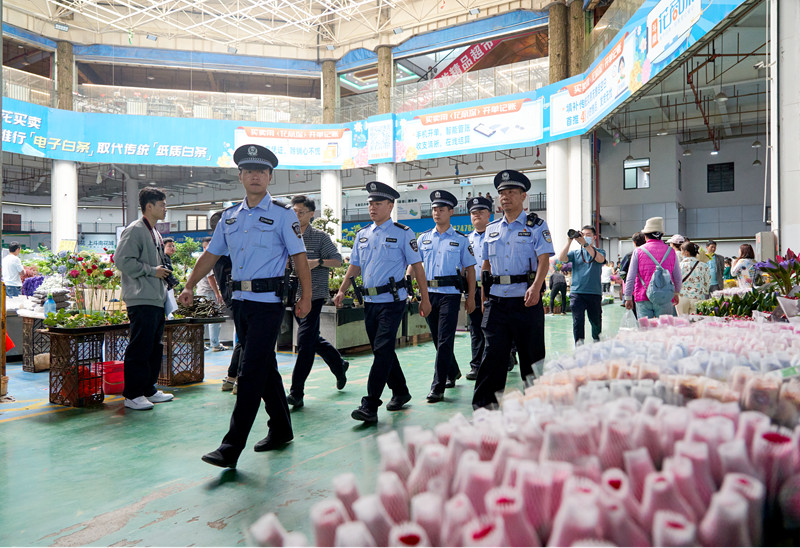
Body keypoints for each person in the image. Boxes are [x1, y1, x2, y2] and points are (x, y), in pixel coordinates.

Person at [178, 144, 313, 470]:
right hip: (240, 303)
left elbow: (300, 259)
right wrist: (189, 284)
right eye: (249, 171)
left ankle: (231, 447)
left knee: (249, 372)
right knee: (265, 369)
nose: (255, 176)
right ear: (240, 176)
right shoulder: (229, 218)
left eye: (262, 171)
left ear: (269, 177)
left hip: (268, 305)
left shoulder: (283, 216)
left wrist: (306, 297)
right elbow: (211, 256)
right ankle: (281, 429)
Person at [333, 181, 431, 423]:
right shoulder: (362, 234)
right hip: (369, 302)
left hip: (392, 301)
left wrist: (424, 298)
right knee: (382, 349)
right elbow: (354, 266)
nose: (372, 207)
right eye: (370, 203)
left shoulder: (403, 233)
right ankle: (400, 391)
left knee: (382, 349)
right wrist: (342, 290)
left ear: (390, 205)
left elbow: (417, 267)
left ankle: (370, 405)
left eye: (377, 203)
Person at [473, 170, 555, 409]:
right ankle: (484, 405)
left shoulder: (537, 226)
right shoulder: (491, 229)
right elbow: (486, 266)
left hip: (525, 299)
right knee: (493, 354)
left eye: (510, 192)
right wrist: (483, 296)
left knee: (531, 355)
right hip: (497, 300)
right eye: (502, 193)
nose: (505, 197)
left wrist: (537, 288)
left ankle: (536, 402)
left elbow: (543, 260)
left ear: (523, 196)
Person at [413, 190, 476, 402]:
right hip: (429, 295)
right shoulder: (423, 239)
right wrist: (411, 287)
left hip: (450, 295)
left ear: (451, 211)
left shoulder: (460, 239)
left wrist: (471, 297)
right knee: (437, 339)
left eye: (441, 209)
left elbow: (470, 269)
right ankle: (453, 371)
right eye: (434, 209)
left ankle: (437, 387)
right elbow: (415, 265)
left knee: (445, 340)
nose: (436, 213)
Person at [115, 188, 174, 411]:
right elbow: (121, 261)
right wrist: (151, 271)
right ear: (149, 206)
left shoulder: (155, 232)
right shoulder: (135, 230)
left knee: (154, 346)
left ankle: (148, 389)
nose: (165, 209)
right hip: (141, 299)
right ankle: (132, 394)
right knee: (140, 346)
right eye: (162, 204)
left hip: (156, 298)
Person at [286, 195, 349, 408]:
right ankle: (339, 365)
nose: (296, 215)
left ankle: (296, 392)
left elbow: (338, 261)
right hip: (292, 297)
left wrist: (318, 262)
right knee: (312, 339)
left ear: (311, 214)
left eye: (301, 212)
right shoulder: (286, 235)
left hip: (314, 296)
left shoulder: (320, 237)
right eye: (293, 211)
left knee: (304, 343)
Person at [623, 217, 682, 319]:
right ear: (662, 235)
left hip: (643, 296)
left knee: (646, 331)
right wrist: (676, 292)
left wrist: (628, 297)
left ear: (645, 236)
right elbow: (677, 276)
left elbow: (631, 276)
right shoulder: (671, 251)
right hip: (665, 296)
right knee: (664, 329)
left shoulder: (638, 251)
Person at [558, 225, 607, 345]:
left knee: (596, 321)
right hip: (577, 293)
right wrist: (569, 241)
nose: (584, 237)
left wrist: (585, 244)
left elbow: (600, 260)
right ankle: (579, 346)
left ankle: (597, 342)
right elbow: (562, 258)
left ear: (595, 237)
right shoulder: (575, 253)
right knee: (578, 321)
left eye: (588, 235)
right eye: (583, 234)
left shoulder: (600, 251)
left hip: (594, 293)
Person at [465, 196, 492, 381]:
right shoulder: (466, 240)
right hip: (474, 289)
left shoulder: (496, 234)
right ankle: (476, 365)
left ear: (489, 214)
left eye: (481, 212)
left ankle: (503, 356)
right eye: (473, 213)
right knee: (475, 328)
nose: (477, 216)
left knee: (495, 326)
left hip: (493, 287)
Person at [195, 237, 226, 352]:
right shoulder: (208, 259)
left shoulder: (201, 258)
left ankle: (200, 344)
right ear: (204, 247)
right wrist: (218, 294)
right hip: (209, 293)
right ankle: (215, 344)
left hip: (201, 293)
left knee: (203, 319)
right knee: (214, 319)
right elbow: (210, 277)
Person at [676, 242, 711, 315]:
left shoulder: (679, 265)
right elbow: (707, 282)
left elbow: (675, 281)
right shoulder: (704, 265)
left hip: (682, 297)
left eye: (682, 251)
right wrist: (706, 291)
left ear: (686, 252)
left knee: (682, 323)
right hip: (698, 297)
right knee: (696, 322)